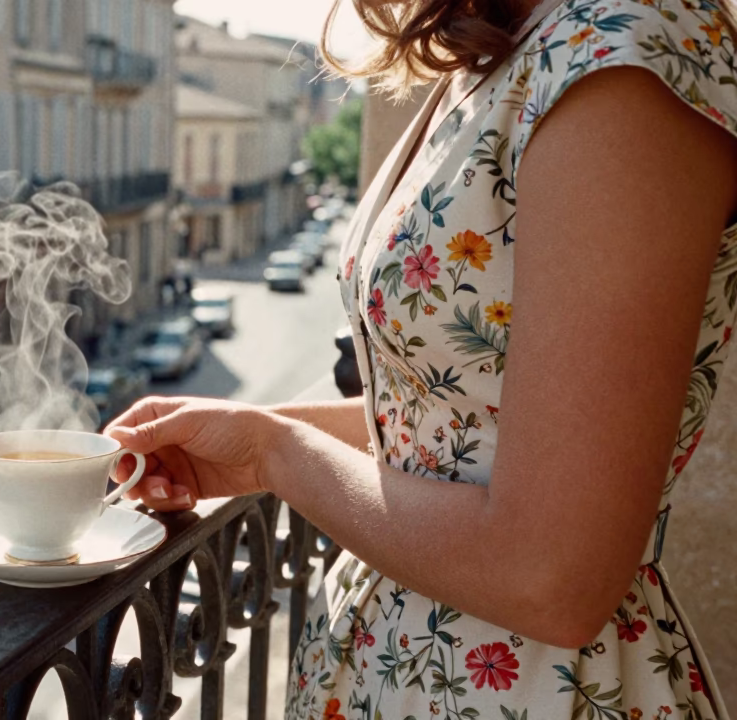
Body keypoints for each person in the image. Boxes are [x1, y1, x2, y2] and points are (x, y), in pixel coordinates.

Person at [106, 0, 737, 715]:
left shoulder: (623, 58)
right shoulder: (509, 42)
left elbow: (552, 576)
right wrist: (246, 430)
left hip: (532, 691)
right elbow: (454, 424)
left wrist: (273, 454)